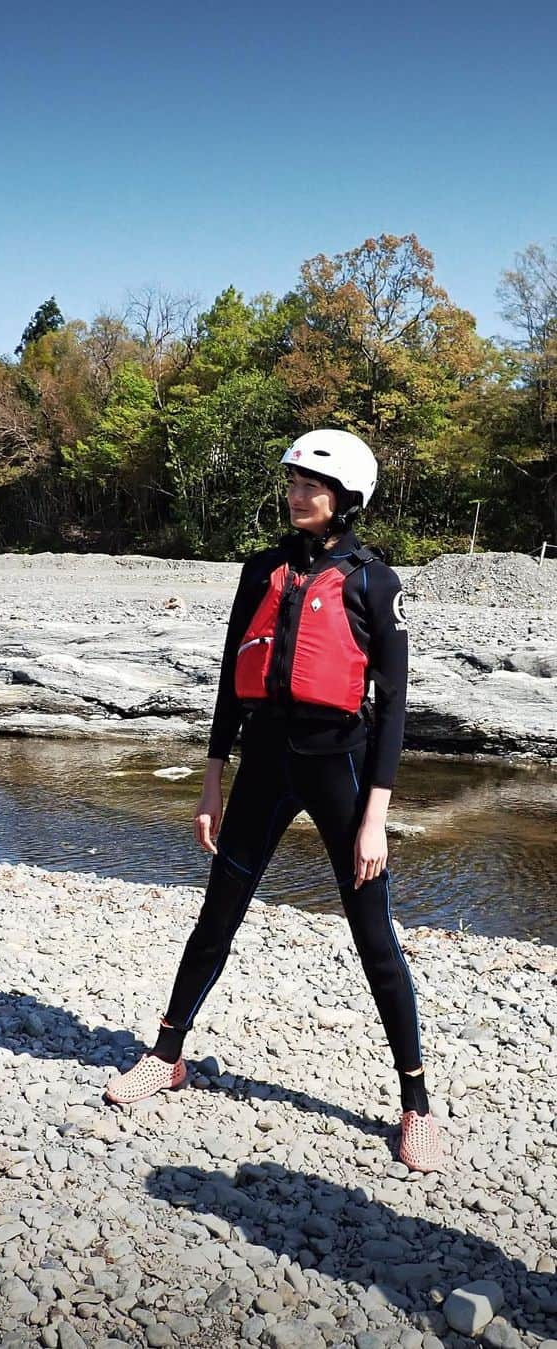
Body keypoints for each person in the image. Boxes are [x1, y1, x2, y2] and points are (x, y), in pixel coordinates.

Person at [104, 429, 443, 1174]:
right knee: (218, 911)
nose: (295, 493)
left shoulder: (373, 582)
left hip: (340, 772)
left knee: (373, 934)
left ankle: (416, 1102)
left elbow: (393, 710)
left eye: (311, 484)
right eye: (291, 480)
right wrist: (211, 778)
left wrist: (376, 818)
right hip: (263, 764)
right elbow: (232, 677)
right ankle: (166, 1054)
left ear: (346, 496)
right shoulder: (261, 570)